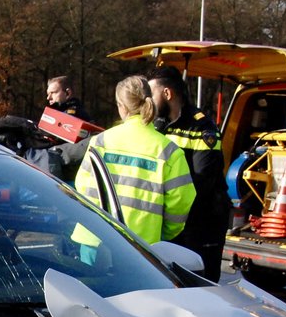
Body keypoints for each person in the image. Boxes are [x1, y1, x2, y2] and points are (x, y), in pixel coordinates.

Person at [74, 75, 194, 247]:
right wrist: (161, 232)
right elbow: (181, 202)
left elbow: (82, 187)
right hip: (141, 247)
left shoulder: (100, 142)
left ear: (121, 106)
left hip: (93, 240)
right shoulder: (169, 151)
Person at [149, 65, 231, 281]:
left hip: (204, 222)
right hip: (175, 220)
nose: (148, 101)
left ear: (167, 93)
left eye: (152, 94)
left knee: (202, 283)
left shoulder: (203, 129)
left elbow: (201, 181)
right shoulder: (158, 127)